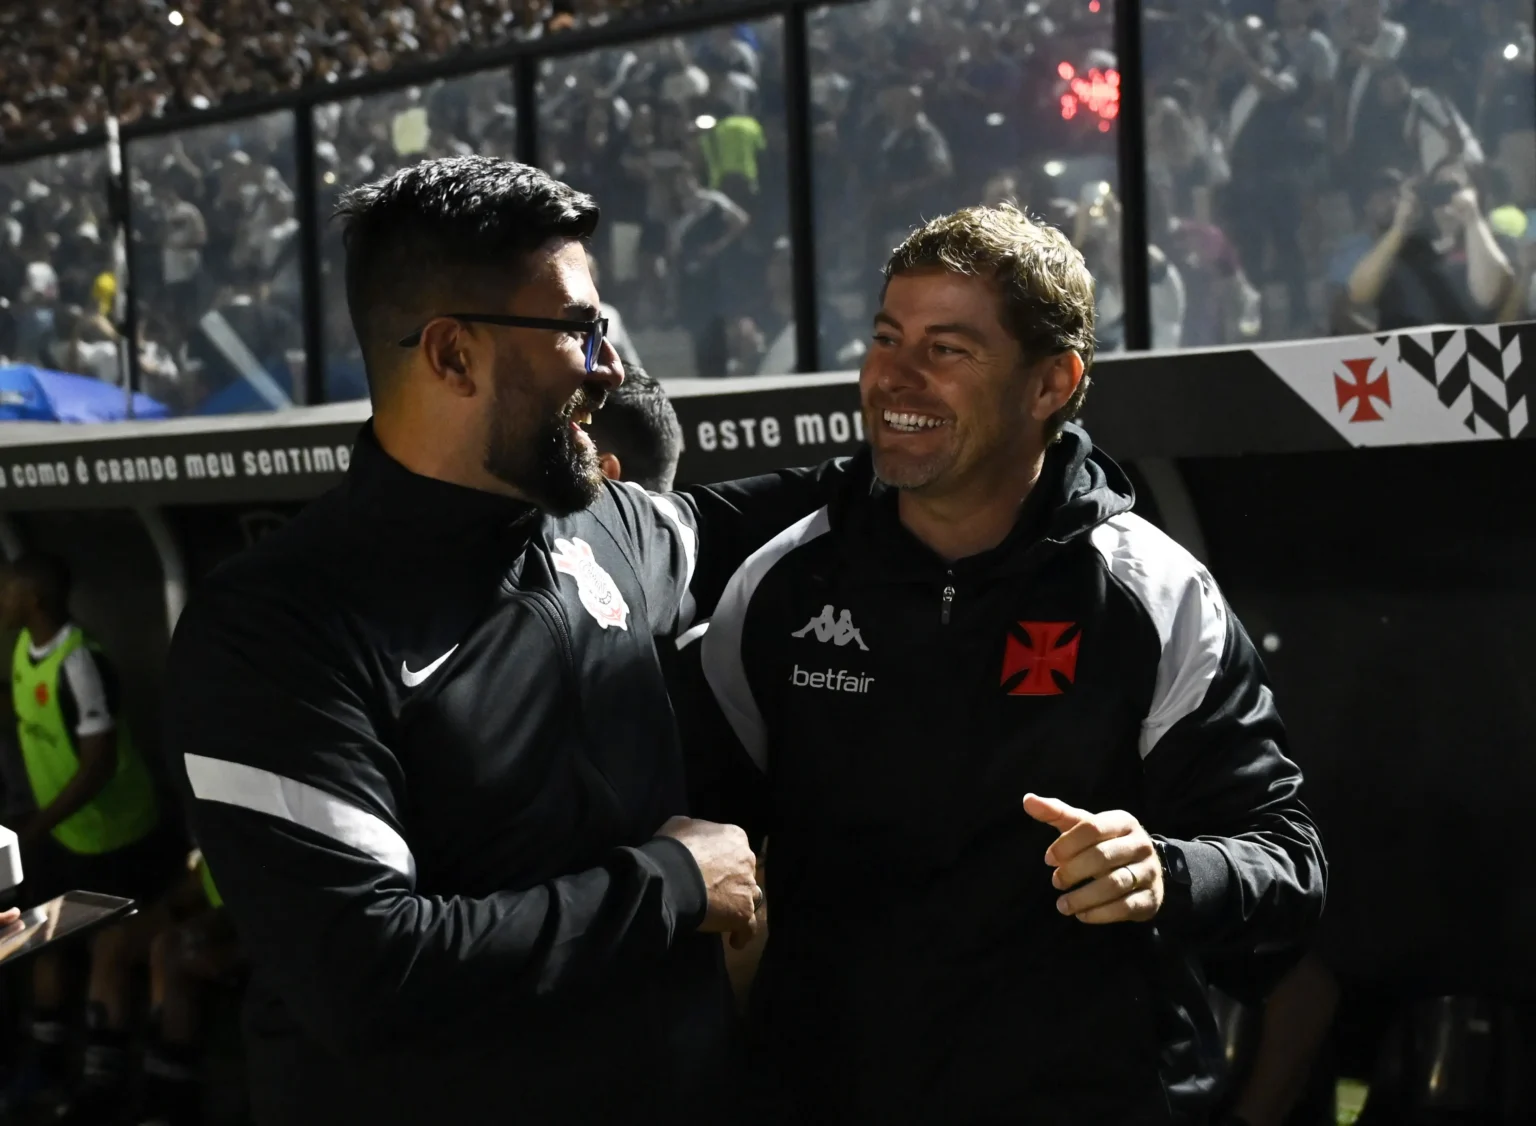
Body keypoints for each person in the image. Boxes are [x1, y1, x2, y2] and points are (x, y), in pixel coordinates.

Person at [162, 156, 840, 1126]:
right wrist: (671, 884)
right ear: (451, 355)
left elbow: (722, 520)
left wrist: (969, 453)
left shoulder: (600, 528)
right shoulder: (274, 629)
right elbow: (364, 971)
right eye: (577, 329)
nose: (609, 366)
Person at [700, 203, 1328, 1124]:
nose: (893, 377)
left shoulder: (1153, 592)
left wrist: (1163, 870)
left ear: (1051, 384)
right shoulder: (781, 584)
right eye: (886, 337)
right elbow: (700, 840)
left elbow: (1286, 863)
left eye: (947, 349)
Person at [0, 553, 174, 1119]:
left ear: (34, 598)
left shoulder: (80, 663)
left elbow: (99, 763)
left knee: (107, 950)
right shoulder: (25, 654)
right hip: (65, 836)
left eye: (8, 591)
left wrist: (35, 826)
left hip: (115, 837)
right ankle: (47, 1067)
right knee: (40, 938)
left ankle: (104, 1085)